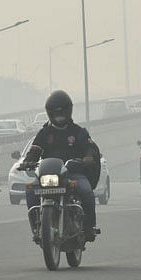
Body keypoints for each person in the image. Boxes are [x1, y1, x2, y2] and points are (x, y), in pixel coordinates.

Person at [21, 90, 100, 240]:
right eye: (56, 113)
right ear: (50, 113)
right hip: (48, 175)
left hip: (73, 173)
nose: (59, 116)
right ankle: (37, 228)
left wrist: (88, 157)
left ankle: (89, 227)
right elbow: (34, 150)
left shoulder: (78, 132)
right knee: (30, 191)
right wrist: (28, 161)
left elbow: (90, 147)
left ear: (68, 110)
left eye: (62, 112)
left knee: (87, 191)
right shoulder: (44, 133)